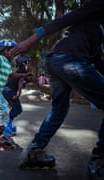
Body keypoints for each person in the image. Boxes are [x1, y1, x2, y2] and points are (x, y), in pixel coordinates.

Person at [9, 0, 104, 176]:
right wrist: (32, 39)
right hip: (69, 59)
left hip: (57, 60)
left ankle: (36, 152)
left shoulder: (97, 30)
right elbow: (66, 18)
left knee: (59, 109)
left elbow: (96, 59)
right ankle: (99, 163)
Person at [2, 54, 30, 137]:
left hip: (6, 91)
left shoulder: (18, 70)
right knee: (18, 110)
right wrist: (19, 93)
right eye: (27, 62)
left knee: (14, 108)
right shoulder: (23, 70)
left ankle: (8, 124)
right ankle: (7, 125)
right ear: (24, 62)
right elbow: (20, 82)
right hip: (10, 92)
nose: (28, 63)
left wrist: (9, 100)